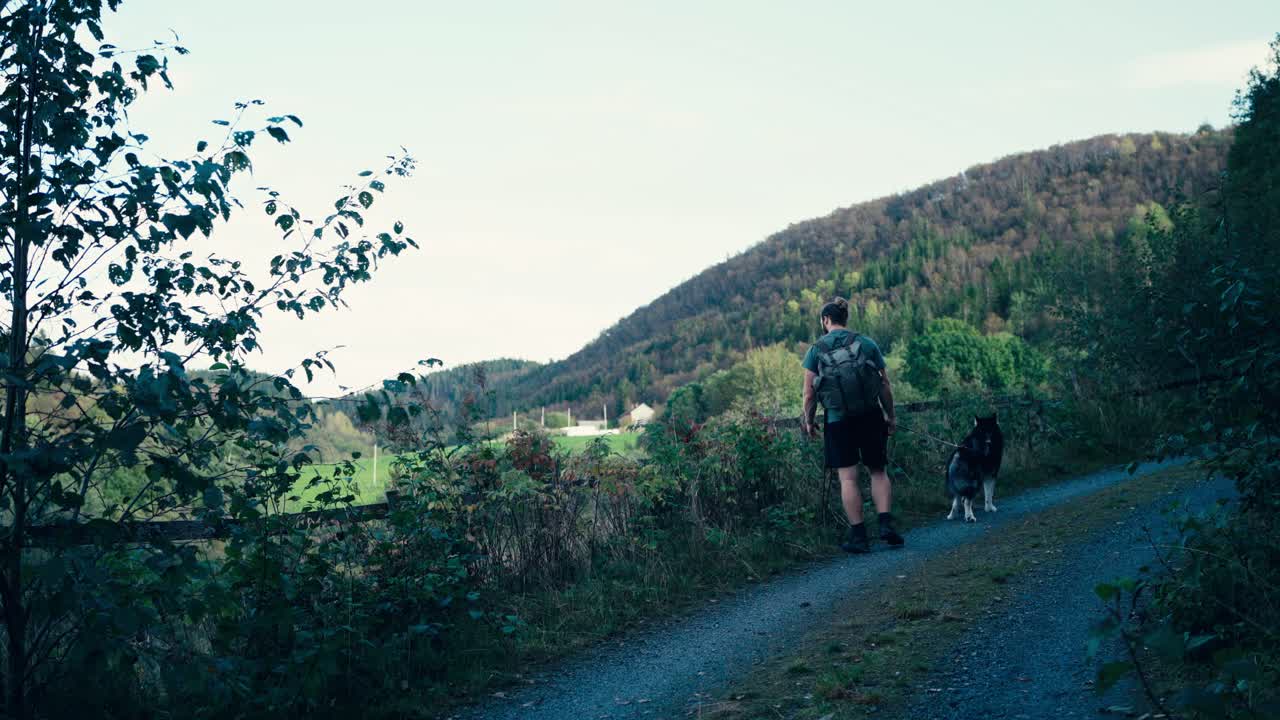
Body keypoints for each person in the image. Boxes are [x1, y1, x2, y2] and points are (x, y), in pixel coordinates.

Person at [801, 298, 903, 553]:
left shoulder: (815, 350)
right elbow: (884, 384)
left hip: (838, 421)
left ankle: (859, 537)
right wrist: (890, 416)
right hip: (870, 416)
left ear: (826, 320)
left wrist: (809, 422)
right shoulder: (866, 343)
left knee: (848, 478)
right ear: (845, 319)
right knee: (878, 471)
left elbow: (809, 394)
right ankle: (885, 525)